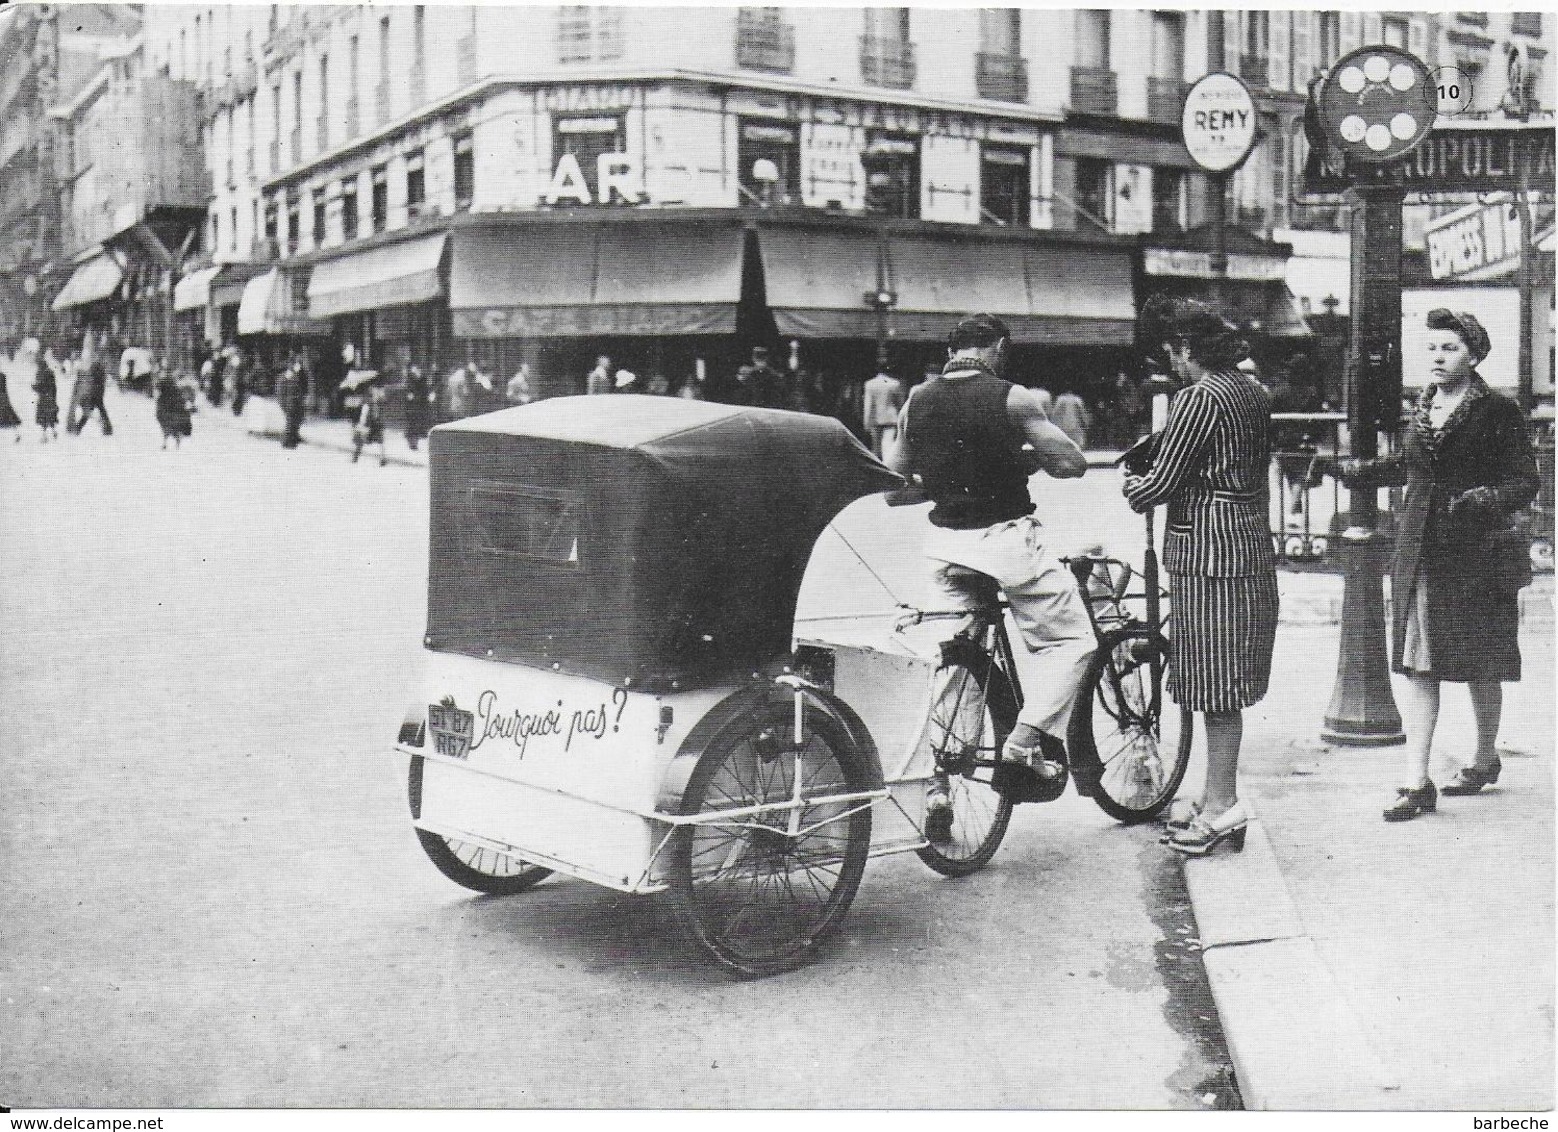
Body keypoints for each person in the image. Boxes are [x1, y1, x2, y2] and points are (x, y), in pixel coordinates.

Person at [1312, 310, 1540, 821]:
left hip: (1477, 556)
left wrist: (1484, 499)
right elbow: (1408, 467)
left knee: (1482, 663)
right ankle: (1417, 782)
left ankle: (1483, 758)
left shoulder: (1498, 410)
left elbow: (1526, 481)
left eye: (1450, 348)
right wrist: (1351, 472)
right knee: (1421, 665)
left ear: (1474, 355)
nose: (1437, 357)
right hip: (1420, 551)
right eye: (1432, 347)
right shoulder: (1423, 406)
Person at [892, 313, 1093, 839]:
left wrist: (949, 476)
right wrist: (1025, 459)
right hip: (1005, 542)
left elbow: (896, 487)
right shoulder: (1014, 397)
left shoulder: (917, 399)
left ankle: (938, 782)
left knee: (956, 660)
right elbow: (1073, 464)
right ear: (998, 348)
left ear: (952, 350)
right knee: (1073, 641)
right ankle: (1023, 742)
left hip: (944, 547)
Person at [1122, 298, 1278, 856]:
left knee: (1214, 686)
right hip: (1248, 540)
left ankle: (1221, 805)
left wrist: (1133, 486)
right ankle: (1216, 795)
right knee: (1225, 682)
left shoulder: (1198, 396)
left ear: (1186, 347)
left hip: (1207, 550)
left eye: (1173, 353)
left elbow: (1161, 482)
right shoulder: (1251, 390)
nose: (1173, 364)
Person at [862, 367, 905, 461]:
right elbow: (900, 404)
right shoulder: (895, 384)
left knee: (876, 448)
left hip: (876, 420)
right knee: (888, 446)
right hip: (891, 419)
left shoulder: (870, 384)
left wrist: (866, 423)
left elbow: (868, 405)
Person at [154, 364, 193, 449]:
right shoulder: (173, 383)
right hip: (171, 406)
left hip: (168, 406)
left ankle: (168, 441)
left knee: (166, 422)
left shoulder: (168, 382)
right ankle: (174, 441)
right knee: (170, 422)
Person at [352, 382, 388, 466]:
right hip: (367, 424)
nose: (376, 392)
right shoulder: (367, 401)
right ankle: (355, 456)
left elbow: (382, 410)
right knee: (361, 440)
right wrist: (360, 423)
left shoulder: (379, 401)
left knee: (380, 440)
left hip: (376, 424)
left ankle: (383, 459)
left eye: (378, 391)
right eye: (374, 390)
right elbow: (362, 413)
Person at [33, 343, 60, 442]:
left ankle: (44, 436)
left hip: (43, 399)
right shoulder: (50, 372)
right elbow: (53, 386)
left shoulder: (41, 373)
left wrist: (34, 387)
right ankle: (53, 432)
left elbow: (41, 386)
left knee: (43, 419)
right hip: (51, 398)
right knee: (51, 417)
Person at [278, 357, 307, 449]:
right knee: (290, 423)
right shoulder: (288, 375)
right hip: (290, 403)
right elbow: (281, 392)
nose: (299, 366)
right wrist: (284, 404)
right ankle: (287, 441)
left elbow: (303, 388)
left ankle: (293, 439)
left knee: (297, 421)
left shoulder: (299, 375)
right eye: (298, 364)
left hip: (297, 403)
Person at [403, 365, 433, 450]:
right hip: (411, 407)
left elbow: (426, 391)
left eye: (418, 370)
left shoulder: (423, 380)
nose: (417, 371)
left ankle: (415, 442)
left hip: (421, 406)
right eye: (415, 370)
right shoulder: (410, 380)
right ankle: (412, 444)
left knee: (419, 425)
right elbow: (407, 393)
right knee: (412, 425)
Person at [0, 342, 22, 441]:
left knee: (8, 415)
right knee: (9, 416)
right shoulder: (3, 373)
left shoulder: (2, 373)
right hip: (3, 397)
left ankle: (17, 434)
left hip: (3, 396)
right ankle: (17, 434)